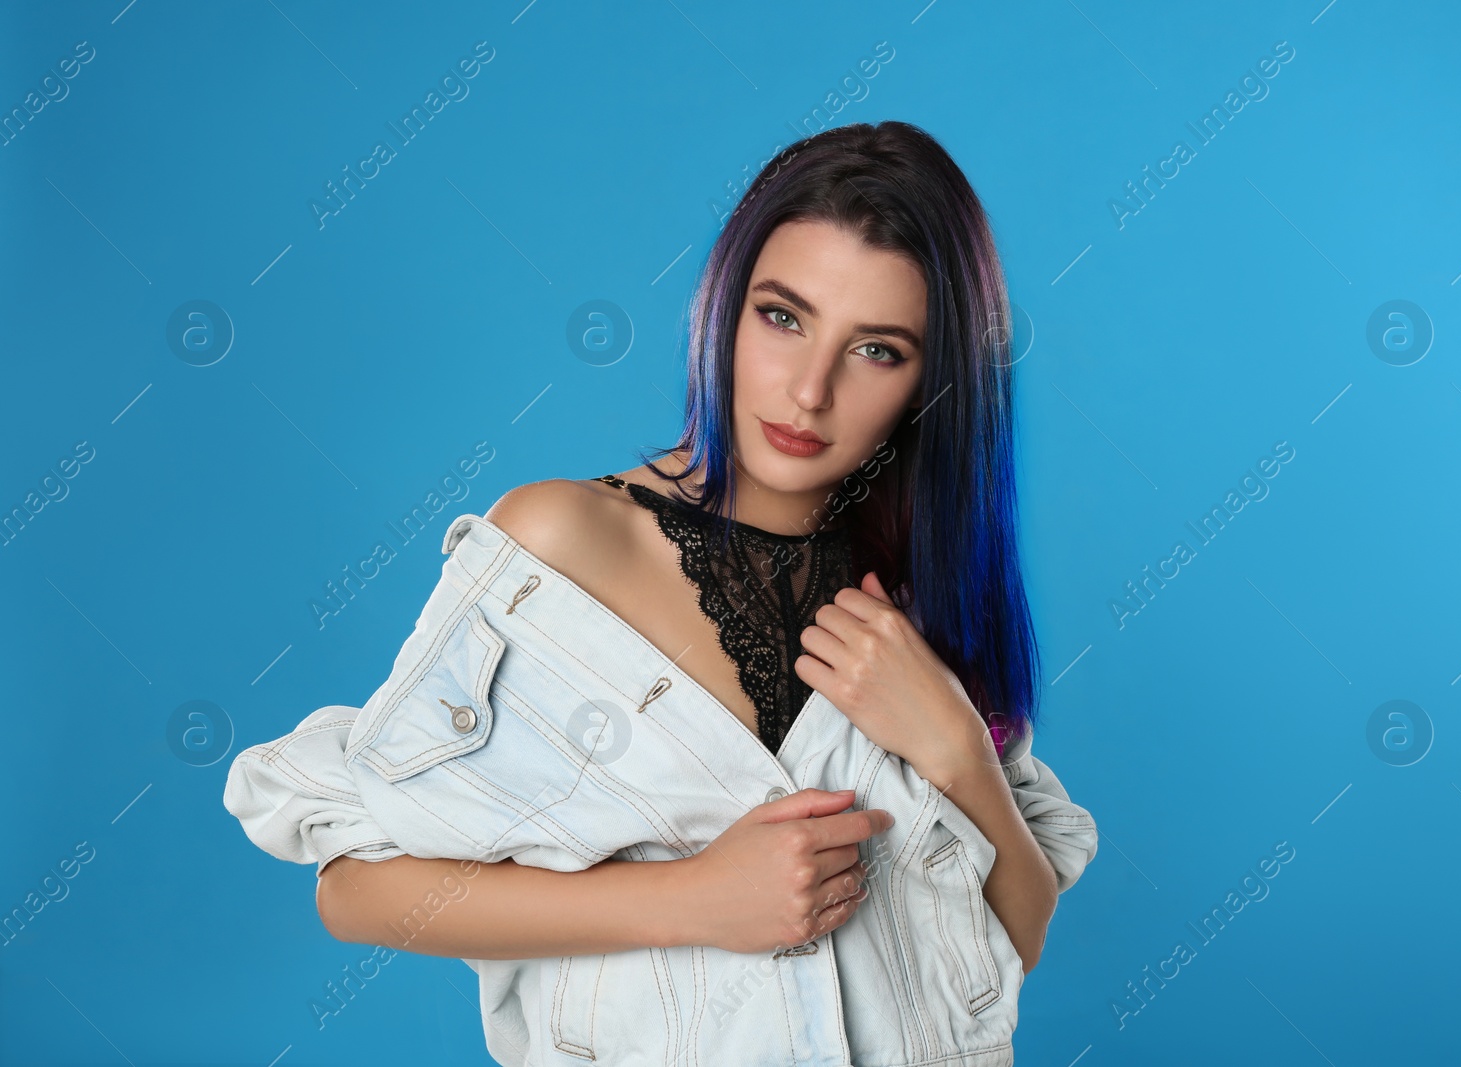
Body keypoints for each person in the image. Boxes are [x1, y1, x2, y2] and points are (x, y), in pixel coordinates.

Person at [224, 120, 1097, 1066]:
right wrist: (693, 899)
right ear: (723, 308)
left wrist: (957, 747)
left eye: (877, 350)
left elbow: (1020, 932)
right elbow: (355, 887)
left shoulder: (923, 596)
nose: (808, 391)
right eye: (783, 316)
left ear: (936, 382)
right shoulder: (563, 541)